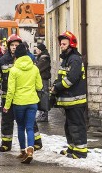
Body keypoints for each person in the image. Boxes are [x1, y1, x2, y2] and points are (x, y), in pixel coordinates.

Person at [0, 34, 43, 152]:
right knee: (7, 121)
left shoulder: (29, 59)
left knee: (29, 122)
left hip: (20, 97)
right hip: (8, 95)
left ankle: (35, 143)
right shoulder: (2, 60)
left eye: (16, 45)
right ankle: (6, 143)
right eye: (12, 45)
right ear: (8, 46)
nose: (14, 47)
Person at [52, 31, 88, 159]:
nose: (61, 46)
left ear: (71, 44)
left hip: (76, 100)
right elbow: (61, 76)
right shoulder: (67, 59)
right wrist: (54, 86)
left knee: (77, 125)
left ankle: (81, 151)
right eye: (61, 44)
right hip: (70, 100)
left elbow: (71, 79)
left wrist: (57, 87)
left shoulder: (75, 60)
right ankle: (72, 147)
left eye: (64, 44)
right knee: (69, 126)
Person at [34, 42, 52, 122]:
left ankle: (44, 115)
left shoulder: (44, 58)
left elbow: (37, 68)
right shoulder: (41, 57)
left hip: (43, 79)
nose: (36, 51)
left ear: (40, 50)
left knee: (44, 96)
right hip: (41, 79)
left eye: (37, 49)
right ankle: (42, 114)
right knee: (41, 96)